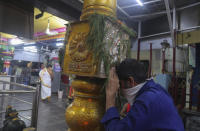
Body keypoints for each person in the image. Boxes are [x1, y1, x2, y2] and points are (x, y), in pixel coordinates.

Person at [101, 59, 184, 131]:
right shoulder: (156, 90)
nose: (119, 89)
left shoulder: (148, 101)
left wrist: (110, 98)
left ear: (131, 81)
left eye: (119, 84)